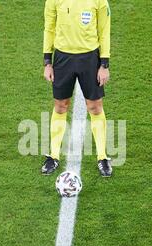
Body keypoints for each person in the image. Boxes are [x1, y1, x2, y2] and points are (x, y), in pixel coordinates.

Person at [41, 0, 113, 177]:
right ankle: (54, 155)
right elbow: (49, 28)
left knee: (95, 106)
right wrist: (47, 62)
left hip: (90, 58)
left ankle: (102, 157)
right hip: (62, 58)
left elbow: (104, 30)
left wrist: (104, 64)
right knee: (60, 105)